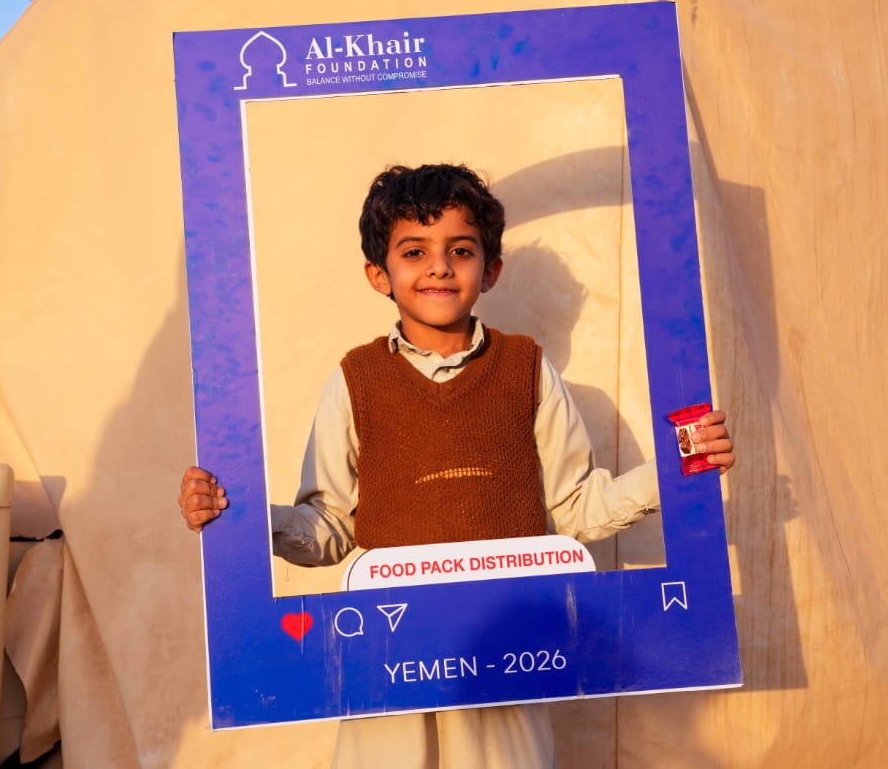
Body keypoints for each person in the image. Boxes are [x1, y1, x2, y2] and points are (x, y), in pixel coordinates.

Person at [178, 163, 734, 767]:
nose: (439, 266)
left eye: (460, 250)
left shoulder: (527, 369)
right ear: (378, 274)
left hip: (505, 645)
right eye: (414, 251)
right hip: (387, 650)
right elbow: (329, 527)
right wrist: (238, 519)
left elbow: (576, 509)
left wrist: (679, 469)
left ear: (489, 270)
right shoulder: (355, 379)